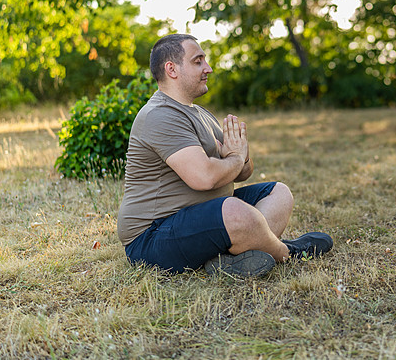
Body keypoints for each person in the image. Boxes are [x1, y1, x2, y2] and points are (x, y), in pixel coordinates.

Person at [118, 34, 333, 277]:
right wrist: (233, 158)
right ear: (172, 69)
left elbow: (243, 172)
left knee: (278, 192)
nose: (207, 68)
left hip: (202, 216)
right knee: (233, 211)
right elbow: (205, 178)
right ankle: (289, 252)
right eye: (198, 61)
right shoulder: (159, 116)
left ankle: (229, 259)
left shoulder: (200, 113)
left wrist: (240, 153)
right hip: (152, 236)